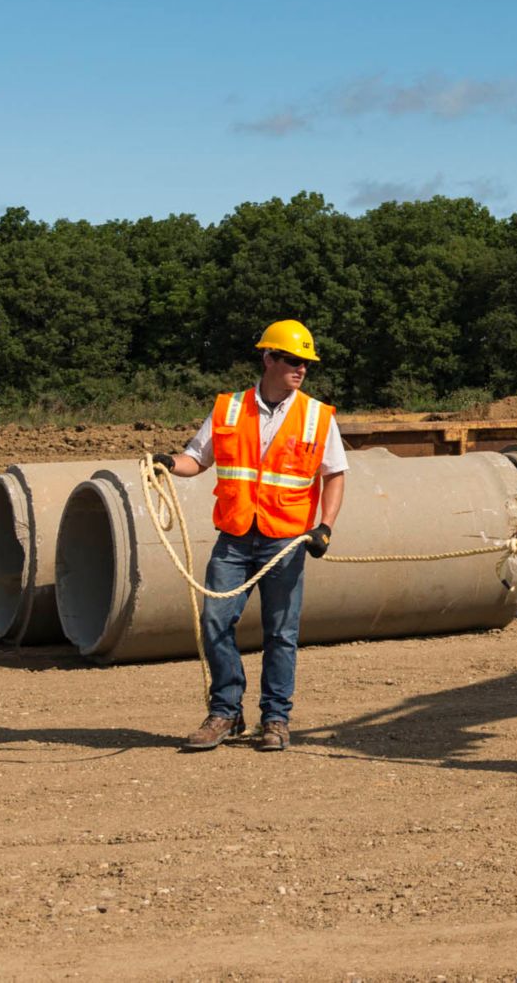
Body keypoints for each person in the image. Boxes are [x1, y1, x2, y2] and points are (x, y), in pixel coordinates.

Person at [152, 319, 347, 752]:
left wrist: (326, 527)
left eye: (306, 363)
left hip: (286, 539)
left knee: (282, 632)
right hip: (236, 536)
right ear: (268, 359)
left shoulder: (317, 416)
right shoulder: (229, 408)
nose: (301, 369)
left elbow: (335, 475)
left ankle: (275, 719)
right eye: (293, 361)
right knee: (215, 622)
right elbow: (195, 459)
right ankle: (225, 712)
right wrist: (167, 463)